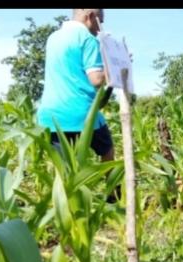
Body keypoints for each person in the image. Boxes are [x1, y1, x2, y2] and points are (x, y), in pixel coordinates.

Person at [37, 9, 114, 164]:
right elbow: (97, 80)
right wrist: (114, 65)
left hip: (50, 117)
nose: (100, 28)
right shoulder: (87, 39)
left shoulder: (53, 38)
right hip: (81, 114)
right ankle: (111, 188)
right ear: (91, 17)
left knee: (66, 169)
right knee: (107, 150)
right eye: (100, 21)